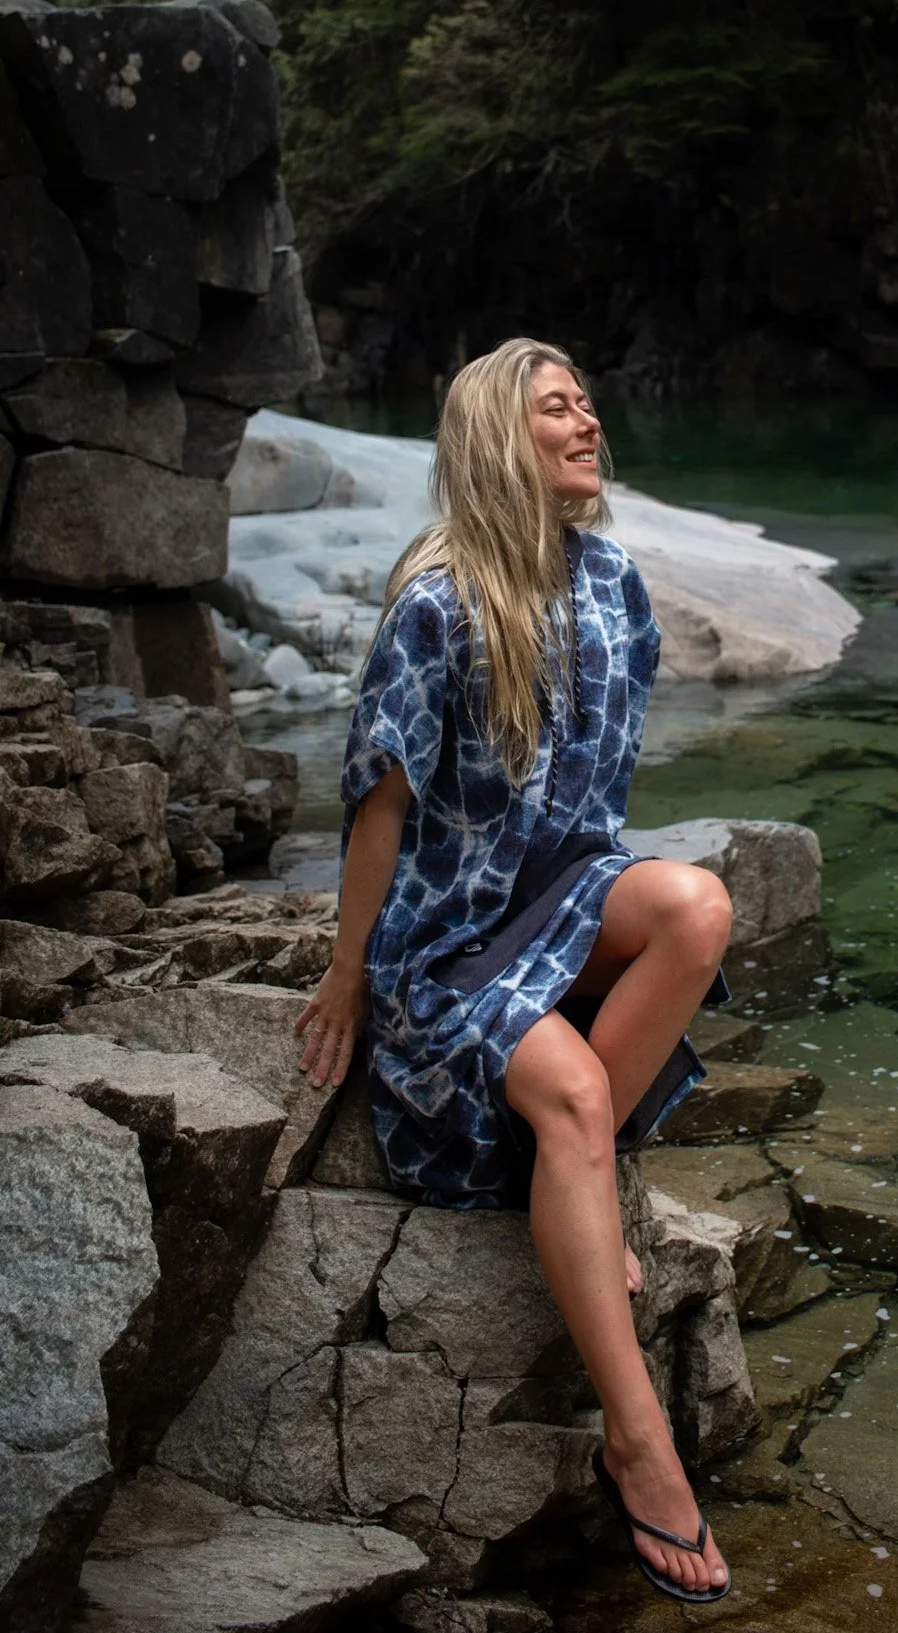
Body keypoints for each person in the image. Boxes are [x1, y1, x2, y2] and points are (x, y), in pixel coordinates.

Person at [294, 337, 732, 1602]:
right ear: (501, 437)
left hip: (561, 901)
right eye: (557, 406)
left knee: (697, 905)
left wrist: (584, 921)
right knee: (576, 1096)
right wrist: (349, 973)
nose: (587, 418)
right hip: (444, 946)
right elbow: (380, 801)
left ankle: (570, 1181)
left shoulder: (611, 580)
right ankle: (636, 1441)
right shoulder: (435, 600)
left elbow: (592, 804)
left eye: (587, 400)